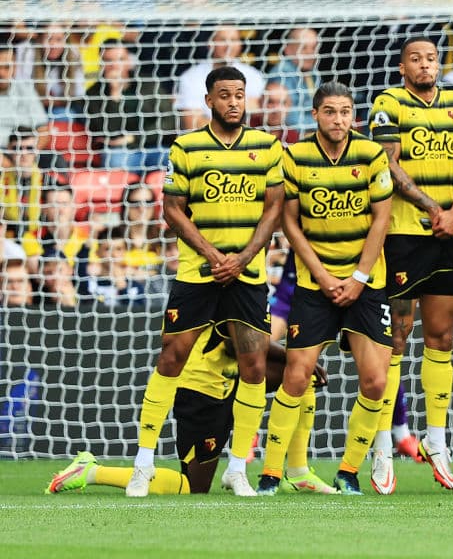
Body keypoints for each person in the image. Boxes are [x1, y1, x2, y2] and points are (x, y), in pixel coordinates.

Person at [126, 66, 284, 498]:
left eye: (239, 94)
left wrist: (244, 258)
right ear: (209, 100)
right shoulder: (187, 146)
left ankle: (238, 467)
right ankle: (142, 462)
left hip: (248, 275)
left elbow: (274, 209)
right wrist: (216, 257)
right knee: (172, 358)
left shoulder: (267, 147)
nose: (234, 102)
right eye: (225, 95)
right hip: (198, 274)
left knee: (253, 367)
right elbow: (172, 210)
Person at [256, 82, 393, 497]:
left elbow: (381, 220)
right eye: (331, 111)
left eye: (346, 111)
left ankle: (349, 470)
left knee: (374, 382)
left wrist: (358, 278)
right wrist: (322, 276)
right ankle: (271, 473)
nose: (339, 119)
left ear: (355, 116)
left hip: (367, 284)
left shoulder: (371, 154)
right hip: (316, 285)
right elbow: (289, 222)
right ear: (315, 114)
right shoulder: (295, 157)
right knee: (295, 377)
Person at [368, 36, 453, 493]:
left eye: (431, 58)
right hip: (402, 235)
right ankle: (382, 446)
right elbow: (388, 166)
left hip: (446, 234)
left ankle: (437, 441)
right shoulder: (388, 103)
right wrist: (434, 206)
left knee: (443, 336)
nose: (425, 65)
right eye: (416, 59)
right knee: (397, 336)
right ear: (402, 67)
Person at [48, 327, 331, 495]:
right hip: (201, 389)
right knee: (193, 487)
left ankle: (297, 472)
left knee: (299, 375)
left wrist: (297, 360)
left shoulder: (247, 279)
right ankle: (91, 471)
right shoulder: (221, 282)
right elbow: (237, 342)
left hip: (228, 380)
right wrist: (291, 354)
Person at [83, 39, 176, 174]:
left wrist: (134, 139)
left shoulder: (148, 84)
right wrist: (114, 94)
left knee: (180, 160)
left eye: (120, 59)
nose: (114, 65)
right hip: (121, 153)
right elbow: (109, 133)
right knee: (113, 162)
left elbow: (168, 122)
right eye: (109, 60)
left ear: (128, 61)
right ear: (101, 64)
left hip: (155, 148)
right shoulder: (93, 94)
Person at [174, 27, 265, 131]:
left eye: (234, 40)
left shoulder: (254, 76)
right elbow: (193, 125)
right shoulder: (191, 77)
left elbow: (258, 120)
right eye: (222, 40)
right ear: (210, 44)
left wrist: (209, 119)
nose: (229, 46)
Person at [265, 27, 320, 133]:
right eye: (303, 48)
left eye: (313, 48)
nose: (310, 53)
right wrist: (326, 123)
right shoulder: (282, 73)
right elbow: (290, 117)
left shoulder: (312, 73)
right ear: (288, 49)